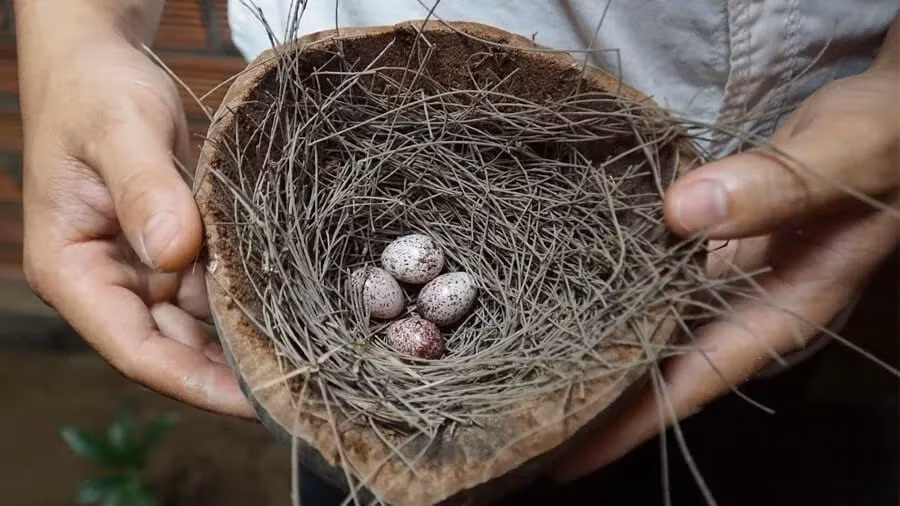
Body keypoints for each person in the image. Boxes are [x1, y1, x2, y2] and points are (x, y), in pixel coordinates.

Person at [13, 0, 899, 490]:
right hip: (352, 374)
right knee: (355, 476)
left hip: (771, 240)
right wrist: (73, 29)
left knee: (736, 445)